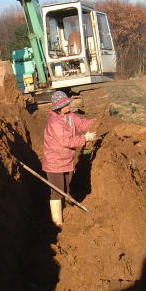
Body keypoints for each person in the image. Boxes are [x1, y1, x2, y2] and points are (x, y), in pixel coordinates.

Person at [42, 91, 96, 226]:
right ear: (58, 108)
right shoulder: (54, 123)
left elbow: (82, 125)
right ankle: (56, 223)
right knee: (57, 192)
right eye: (66, 104)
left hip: (67, 160)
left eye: (68, 103)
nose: (69, 105)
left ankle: (67, 212)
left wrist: (95, 122)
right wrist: (85, 138)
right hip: (54, 162)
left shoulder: (70, 116)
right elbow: (66, 141)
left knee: (66, 189)